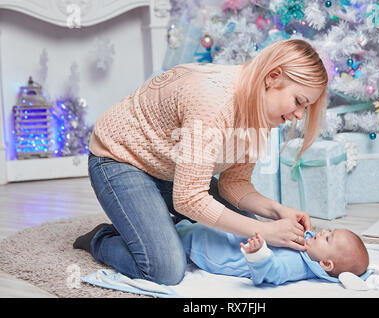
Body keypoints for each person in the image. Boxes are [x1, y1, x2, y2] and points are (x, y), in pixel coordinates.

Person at [73, 39, 329, 285]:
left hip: (170, 168)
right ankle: (102, 238)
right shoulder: (213, 102)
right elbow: (189, 198)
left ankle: (153, 226)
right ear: (273, 76)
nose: (298, 115)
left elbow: (234, 183)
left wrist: (278, 212)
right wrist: (261, 229)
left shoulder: (263, 112)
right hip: (121, 158)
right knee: (165, 268)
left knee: (242, 228)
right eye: (299, 102)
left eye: (305, 108)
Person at [176, 220, 369, 285]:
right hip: (233, 236)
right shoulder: (310, 251)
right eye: (330, 231)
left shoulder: (297, 266)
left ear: (326, 264)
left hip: (218, 253)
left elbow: (271, 272)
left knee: (192, 236)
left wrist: (258, 254)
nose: (324, 232)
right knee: (197, 228)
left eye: (328, 238)